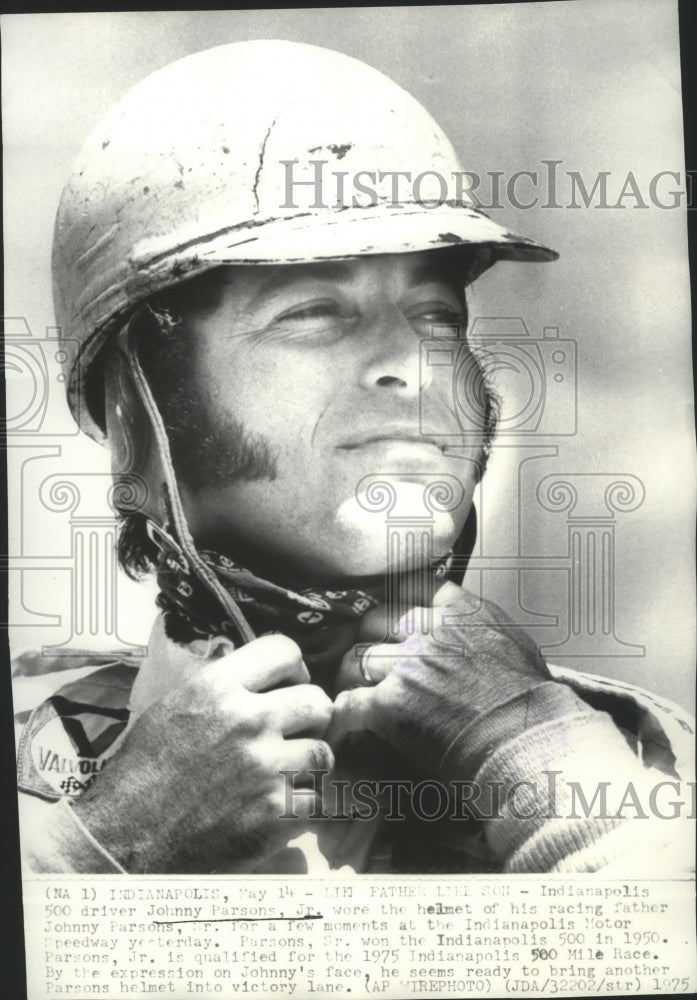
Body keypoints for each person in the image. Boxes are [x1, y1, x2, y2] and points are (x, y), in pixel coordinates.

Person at [14, 40, 693, 875]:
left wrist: (528, 748)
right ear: (135, 413)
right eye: (313, 312)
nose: (411, 364)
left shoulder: (646, 765)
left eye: (436, 314)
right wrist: (106, 842)